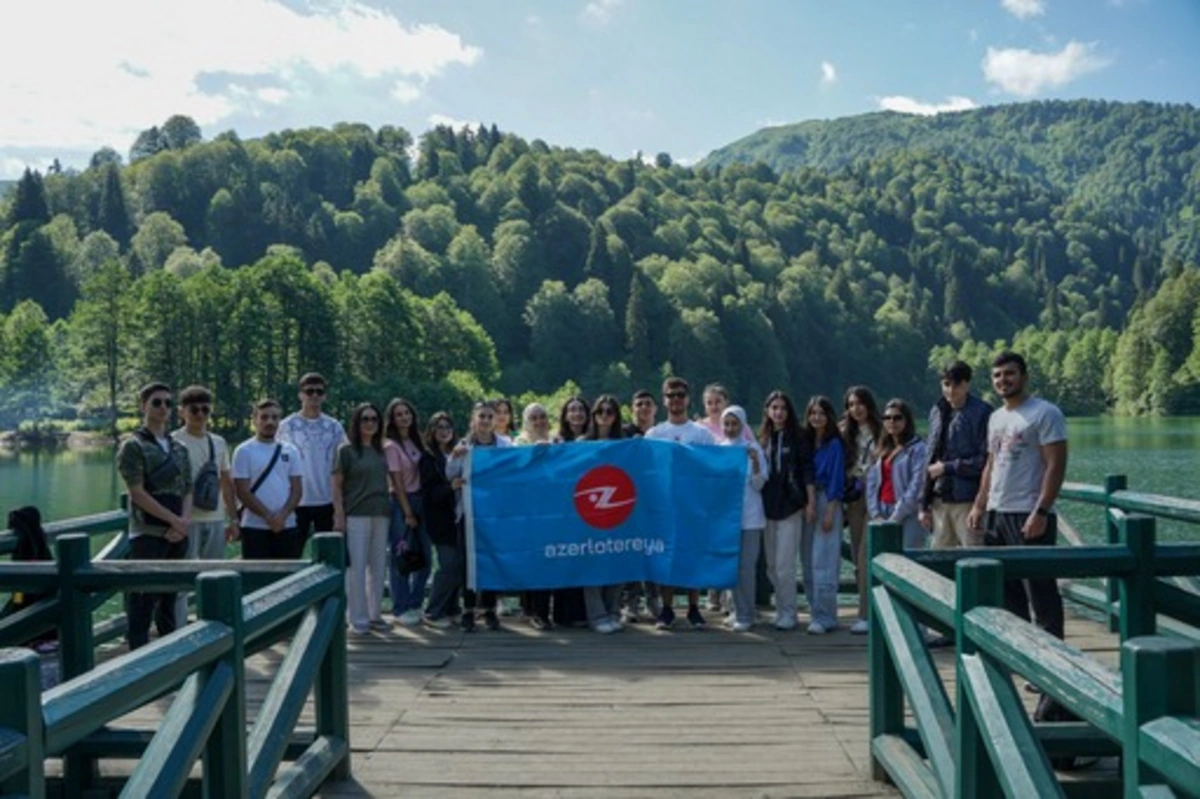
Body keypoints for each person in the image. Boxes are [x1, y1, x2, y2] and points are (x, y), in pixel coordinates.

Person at [968, 352, 1068, 642]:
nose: (1003, 380)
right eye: (997, 375)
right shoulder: (996, 418)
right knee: (1008, 592)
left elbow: (1056, 464)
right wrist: (979, 504)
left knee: (1040, 593)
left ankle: (1053, 666)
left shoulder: (1045, 413)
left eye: (1009, 374)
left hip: (1028, 513)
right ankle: (1023, 655)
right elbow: (991, 463)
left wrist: (1042, 511)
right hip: (998, 514)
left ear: (1024, 376)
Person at [116, 382, 193, 649]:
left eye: (167, 403)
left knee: (170, 599)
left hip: (177, 533)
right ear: (143, 406)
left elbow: (188, 490)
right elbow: (137, 493)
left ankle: (170, 656)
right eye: (156, 402)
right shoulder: (133, 446)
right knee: (142, 600)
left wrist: (183, 523)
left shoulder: (179, 449)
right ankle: (138, 657)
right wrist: (173, 521)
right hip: (147, 533)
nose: (163, 408)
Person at [644, 377, 716, 630]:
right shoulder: (654, 434)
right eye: (671, 395)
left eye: (680, 395)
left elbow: (713, 469)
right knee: (667, 557)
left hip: (693, 505)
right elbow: (648, 471)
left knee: (693, 555)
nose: (676, 399)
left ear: (688, 398)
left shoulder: (702, 434)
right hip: (665, 506)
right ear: (664, 400)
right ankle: (666, 609)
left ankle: (695, 608)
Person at [171, 385, 239, 627]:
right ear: (182, 412)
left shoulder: (218, 442)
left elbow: (226, 482)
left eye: (205, 409)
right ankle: (178, 632)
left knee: (214, 576)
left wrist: (234, 519)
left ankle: (212, 628)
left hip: (215, 518)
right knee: (182, 579)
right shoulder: (173, 441)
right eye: (194, 409)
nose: (200, 414)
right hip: (185, 520)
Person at [444, 401, 513, 631]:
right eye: (481, 416)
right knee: (468, 561)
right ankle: (468, 610)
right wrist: (454, 457)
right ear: (473, 420)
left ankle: (490, 609)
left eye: (489, 416)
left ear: (495, 421)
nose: (485, 420)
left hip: (495, 512)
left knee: (492, 558)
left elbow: (513, 472)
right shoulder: (463, 446)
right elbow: (450, 476)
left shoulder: (505, 445)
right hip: (469, 512)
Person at [919, 361, 993, 548]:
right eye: (946, 384)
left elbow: (985, 461)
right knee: (940, 562)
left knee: (974, 557)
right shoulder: (937, 411)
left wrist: (947, 467)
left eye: (957, 385)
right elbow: (930, 458)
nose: (951, 390)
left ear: (967, 384)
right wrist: (923, 504)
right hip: (939, 499)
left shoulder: (982, 413)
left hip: (968, 499)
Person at [758, 390, 815, 631]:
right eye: (774, 408)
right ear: (768, 411)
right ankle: (780, 609)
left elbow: (807, 471)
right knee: (771, 565)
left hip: (791, 506)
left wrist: (810, 502)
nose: (778, 412)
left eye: (782, 408)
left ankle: (790, 613)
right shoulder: (764, 438)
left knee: (785, 564)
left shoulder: (798, 437)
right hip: (768, 507)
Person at [334, 403, 392, 635]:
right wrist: (338, 514)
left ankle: (374, 614)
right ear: (356, 423)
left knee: (378, 567)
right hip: (356, 512)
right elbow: (336, 486)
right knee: (356, 567)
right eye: (365, 419)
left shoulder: (382, 450)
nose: (370, 423)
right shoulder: (346, 451)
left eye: (374, 419)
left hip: (381, 512)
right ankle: (357, 618)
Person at [278, 373, 347, 551]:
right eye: (309, 391)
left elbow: (343, 464)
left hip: (327, 500)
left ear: (324, 395)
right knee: (291, 554)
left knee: (330, 555)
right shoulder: (286, 426)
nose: (314, 395)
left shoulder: (335, 427)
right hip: (295, 501)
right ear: (301, 395)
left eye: (319, 391)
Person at [233, 399, 304, 559]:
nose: (269, 422)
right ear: (255, 420)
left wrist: (282, 517)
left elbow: (297, 490)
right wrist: (268, 517)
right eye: (264, 417)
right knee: (256, 580)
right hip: (254, 527)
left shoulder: (291, 450)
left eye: (274, 417)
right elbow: (242, 491)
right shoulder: (244, 451)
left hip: (287, 525)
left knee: (288, 579)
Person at [383, 398, 430, 627]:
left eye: (407, 413)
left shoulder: (416, 440)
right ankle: (400, 606)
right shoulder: (390, 446)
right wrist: (407, 511)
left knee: (426, 557)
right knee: (400, 556)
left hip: (423, 500)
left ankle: (415, 602)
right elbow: (397, 482)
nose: (404, 417)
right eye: (399, 414)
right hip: (402, 502)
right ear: (392, 419)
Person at [801, 396, 846, 635]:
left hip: (828, 498)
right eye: (812, 413)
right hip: (808, 500)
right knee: (807, 559)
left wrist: (830, 510)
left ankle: (826, 616)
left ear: (829, 416)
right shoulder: (808, 442)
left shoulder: (834, 444)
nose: (816, 417)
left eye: (821, 413)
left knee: (825, 560)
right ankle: (814, 610)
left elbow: (838, 478)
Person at [719, 406, 766, 632]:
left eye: (734, 424)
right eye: (726, 424)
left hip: (750, 518)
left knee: (747, 568)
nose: (730, 428)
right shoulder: (719, 450)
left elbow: (759, 484)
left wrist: (756, 463)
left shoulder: (752, 448)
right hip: (728, 519)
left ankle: (747, 613)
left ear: (743, 425)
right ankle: (736, 609)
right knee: (731, 566)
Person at [582, 395, 626, 634]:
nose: (605, 416)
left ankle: (613, 611)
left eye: (610, 412)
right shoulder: (581, 444)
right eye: (601, 411)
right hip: (589, 513)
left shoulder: (626, 445)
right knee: (592, 563)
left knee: (618, 561)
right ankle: (596, 615)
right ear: (594, 415)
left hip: (620, 511)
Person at [841, 386, 881, 635]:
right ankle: (866, 608)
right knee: (857, 556)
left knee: (868, 555)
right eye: (851, 404)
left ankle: (867, 614)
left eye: (860, 403)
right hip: (854, 499)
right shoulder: (845, 431)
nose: (856, 408)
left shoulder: (882, 429)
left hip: (877, 497)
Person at [551, 396, 592, 627]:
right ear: (566, 415)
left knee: (585, 559)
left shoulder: (596, 441)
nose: (577, 413)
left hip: (589, 507)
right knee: (564, 558)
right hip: (565, 508)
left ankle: (584, 613)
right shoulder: (558, 441)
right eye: (572, 409)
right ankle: (563, 614)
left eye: (581, 409)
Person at [620, 389, 660, 622]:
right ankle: (631, 601)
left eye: (648, 404)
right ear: (632, 408)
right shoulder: (623, 433)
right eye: (639, 404)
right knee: (632, 550)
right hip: (630, 501)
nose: (644, 408)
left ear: (655, 409)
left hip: (656, 501)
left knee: (654, 550)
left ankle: (654, 599)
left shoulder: (660, 433)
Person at [866, 399, 929, 552]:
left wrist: (896, 516)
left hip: (909, 514)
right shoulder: (881, 448)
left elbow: (917, 485)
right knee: (883, 559)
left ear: (907, 420)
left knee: (909, 560)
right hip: (882, 510)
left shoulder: (918, 449)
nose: (891, 422)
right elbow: (871, 483)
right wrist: (875, 513)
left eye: (897, 417)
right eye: (887, 418)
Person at [422, 412, 464, 629]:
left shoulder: (458, 452)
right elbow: (429, 492)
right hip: (440, 519)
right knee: (449, 565)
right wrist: (451, 487)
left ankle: (452, 608)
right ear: (431, 430)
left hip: (459, 517)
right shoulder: (428, 457)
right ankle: (433, 612)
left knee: (460, 564)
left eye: (448, 427)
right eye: (439, 427)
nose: (444, 431)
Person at [514, 403, 554, 630]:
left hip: (550, 511)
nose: (539, 422)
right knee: (530, 559)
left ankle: (540, 611)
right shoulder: (519, 442)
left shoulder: (556, 441)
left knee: (545, 559)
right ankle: (529, 609)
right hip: (526, 511)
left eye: (542, 417)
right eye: (534, 418)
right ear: (526, 421)